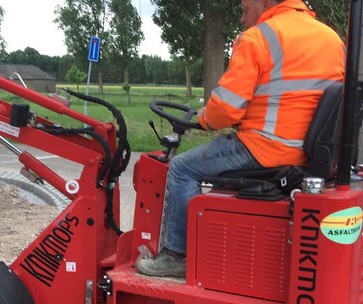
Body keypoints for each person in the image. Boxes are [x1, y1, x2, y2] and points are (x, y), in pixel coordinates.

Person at [137, 0, 345, 278]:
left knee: (182, 168)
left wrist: (204, 118)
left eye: (245, 10)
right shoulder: (331, 39)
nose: (242, 19)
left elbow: (225, 109)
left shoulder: (259, 38)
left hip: (266, 148)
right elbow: (292, 97)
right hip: (308, 152)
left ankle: (176, 255)